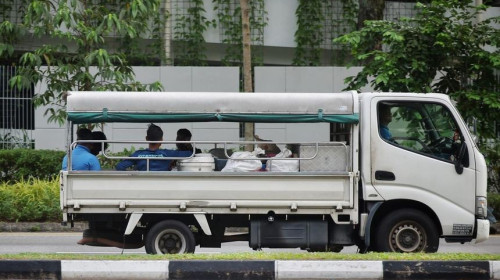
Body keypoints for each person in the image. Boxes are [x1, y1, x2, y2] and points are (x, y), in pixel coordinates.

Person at [115, 124, 193, 171]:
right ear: (162, 140)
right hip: (163, 186)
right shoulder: (168, 154)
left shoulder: (138, 154)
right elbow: (189, 153)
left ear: (146, 138)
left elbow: (119, 166)